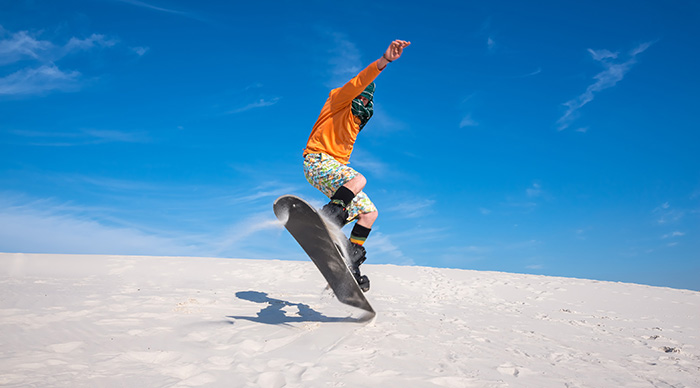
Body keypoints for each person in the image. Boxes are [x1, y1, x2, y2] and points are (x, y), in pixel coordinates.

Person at [303, 39, 411, 292]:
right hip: (316, 160)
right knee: (359, 179)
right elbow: (360, 81)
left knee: (370, 213)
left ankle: (350, 260)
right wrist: (384, 62)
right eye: (360, 101)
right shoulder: (338, 101)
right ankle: (329, 217)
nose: (362, 107)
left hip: (332, 173)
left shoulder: (354, 125)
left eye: (366, 105)